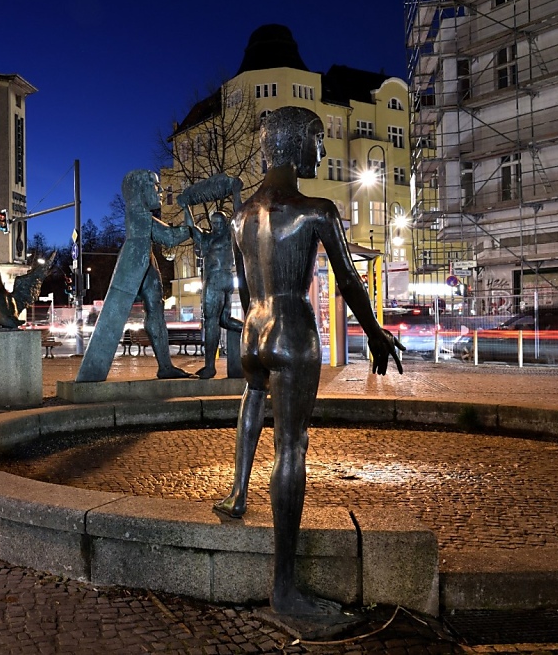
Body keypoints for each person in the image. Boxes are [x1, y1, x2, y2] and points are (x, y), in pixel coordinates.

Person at [214, 106, 404, 619]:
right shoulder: (317, 209)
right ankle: (284, 587)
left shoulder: (239, 216)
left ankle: (236, 492)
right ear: (296, 143)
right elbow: (347, 280)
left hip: (254, 328)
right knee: (292, 446)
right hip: (293, 329)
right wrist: (374, 335)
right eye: (318, 141)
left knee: (252, 399)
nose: (321, 152)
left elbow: (240, 284)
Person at [76, 170, 192, 381]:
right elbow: (170, 237)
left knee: (155, 309)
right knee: (144, 311)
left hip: (144, 259)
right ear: (141, 190)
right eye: (155, 186)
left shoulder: (139, 216)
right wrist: (190, 224)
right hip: (137, 262)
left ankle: (165, 366)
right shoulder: (140, 216)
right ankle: (94, 371)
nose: (159, 191)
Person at [183, 206, 243, 379]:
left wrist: (237, 193)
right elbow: (191, 229)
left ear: (224, 223)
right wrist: (186, 208)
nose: (216, 225)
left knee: (211, 321)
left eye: (219, 222)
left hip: (216, 280)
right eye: (214, 222)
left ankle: (210, 367)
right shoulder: (212, 237)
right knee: (225, 320)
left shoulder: (225, 235)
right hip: (226, 279)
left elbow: (238, 213)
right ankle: (252, 333)